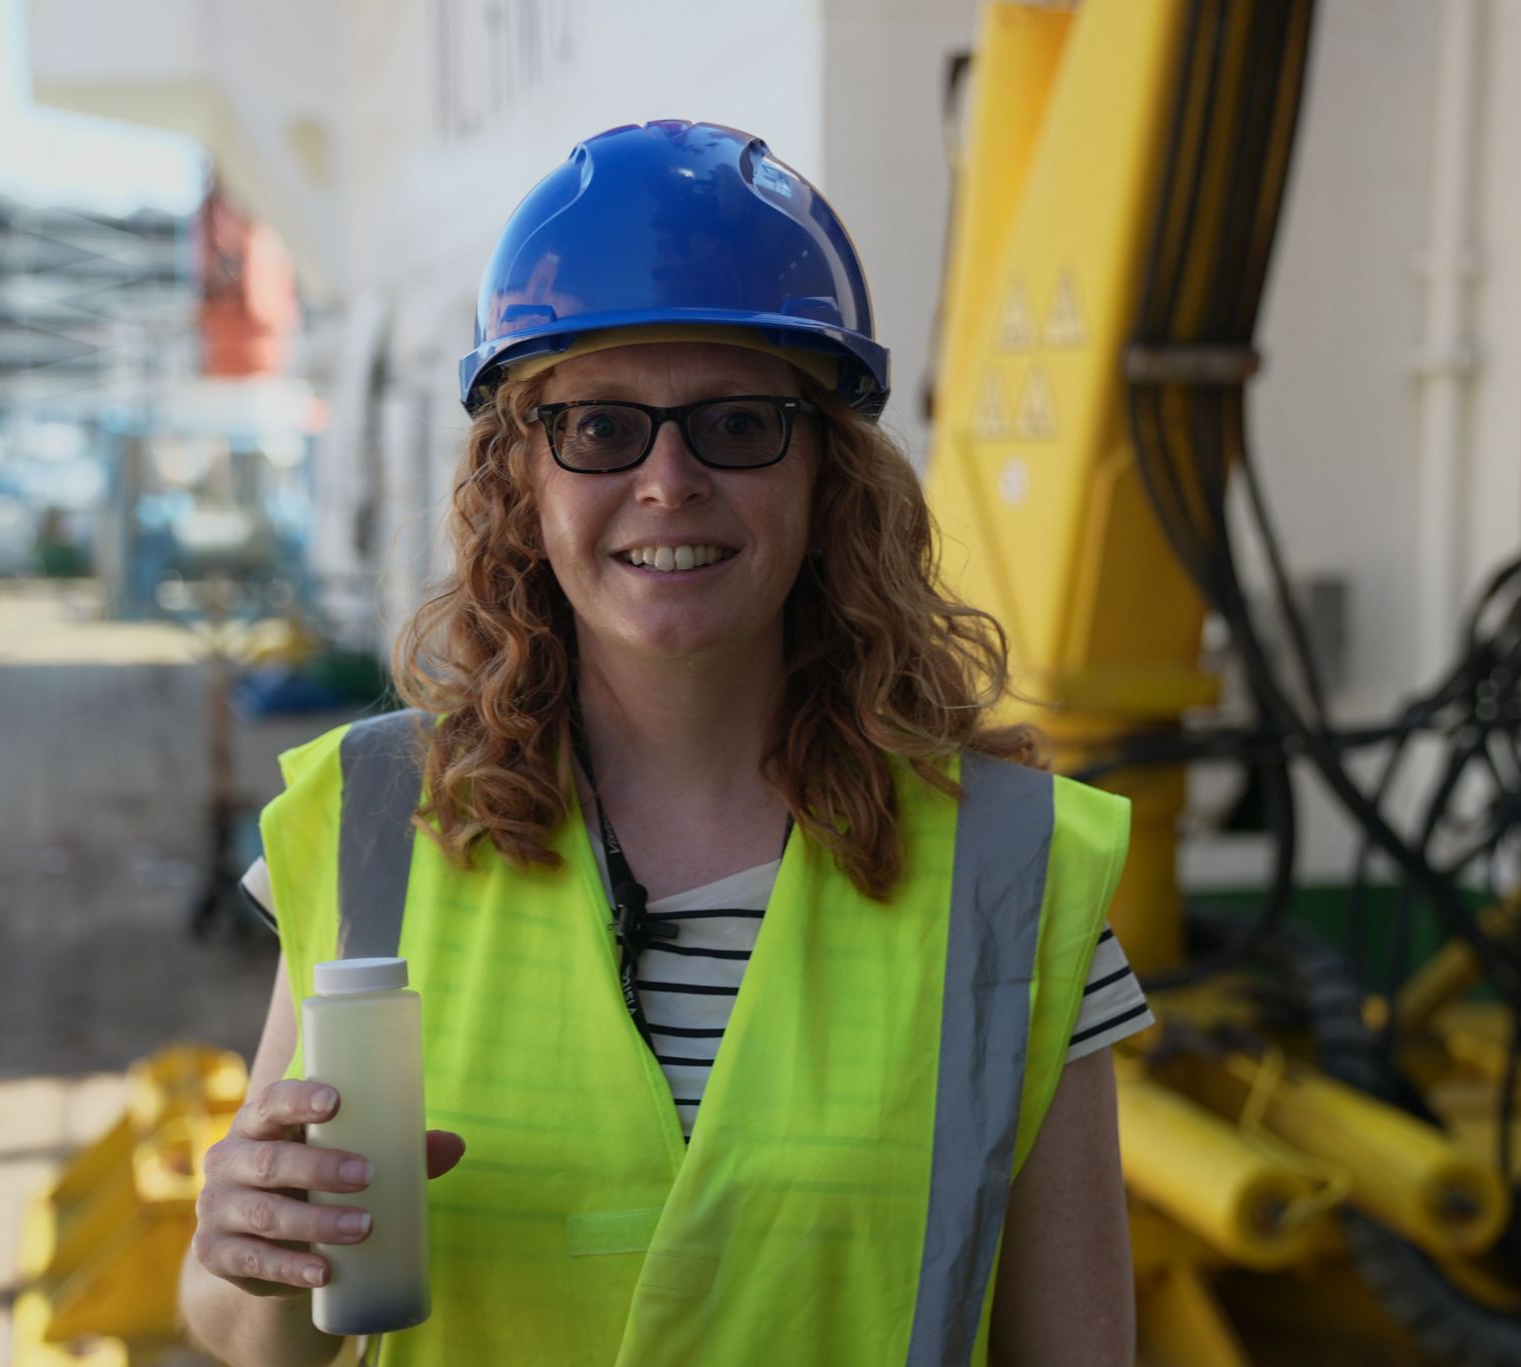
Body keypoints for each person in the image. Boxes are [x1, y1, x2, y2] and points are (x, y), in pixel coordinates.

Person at [180, 120, 1154, 1367]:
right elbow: (245, 1339)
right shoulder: (369, 819)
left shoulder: (1010, 872)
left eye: (739, 423)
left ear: (826, 475)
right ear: (519, 474)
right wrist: (251, 1241)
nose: (667, 479)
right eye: (597, 426)